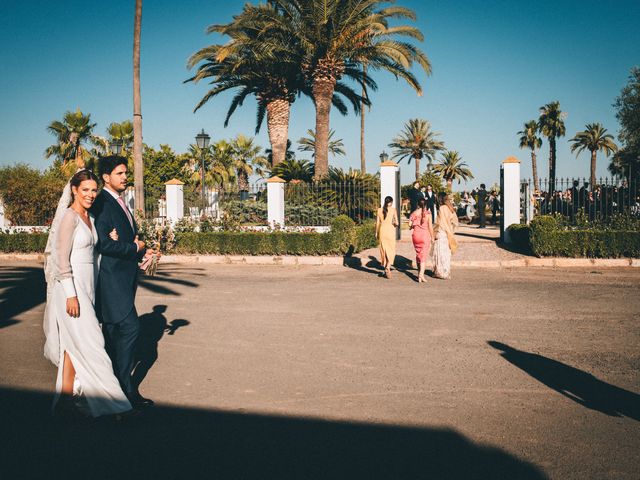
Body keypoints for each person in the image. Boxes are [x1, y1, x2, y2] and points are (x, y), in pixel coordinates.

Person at [43, 169, 133, 418]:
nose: (91, 195)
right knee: (95, 344)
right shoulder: (69, 218)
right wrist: (71, 294)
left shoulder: (90, 219)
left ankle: (64, 400)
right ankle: (117, 405)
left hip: (88, 287)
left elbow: (95, 251)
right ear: (74, 190)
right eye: (86, 190)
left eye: (94, 190)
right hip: (71, 292)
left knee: (74, 346)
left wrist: (110, 237)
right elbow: (61, 259)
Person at [93, 156, 155, 409]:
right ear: (106, 177)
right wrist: (133, 247)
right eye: (120, 173)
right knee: (129, 329)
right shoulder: (102, 203)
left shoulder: (120, 202)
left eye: (125, 173)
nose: (125, 177)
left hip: (124, 279)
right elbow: (103, 243)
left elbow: (128, 240)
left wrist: (143, 252)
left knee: (114, 333)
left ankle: (113, 390)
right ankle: (124, 391)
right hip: (110, 280)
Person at [432, 192, 459, 280]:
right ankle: (446, 272)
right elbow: (454, 221)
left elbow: (439, 222)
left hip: (441, 231)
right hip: (448, 232)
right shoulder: (450, 208)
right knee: (446, 253)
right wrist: (451, 230)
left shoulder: (441, 208)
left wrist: (434, 232)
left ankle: (440, 272)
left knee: (440, 252)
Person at [409, 198, 434, 283]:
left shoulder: (414, 213)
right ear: (426, 205)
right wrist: (433, 237)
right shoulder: (428, 214)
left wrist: (414, 225)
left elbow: (409, 225)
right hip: (425, 236)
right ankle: (421, 275)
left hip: (416, 236)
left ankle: (419, 272)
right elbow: (430, 227)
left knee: (418, 254)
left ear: (418, 204)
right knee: (423, 256)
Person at [376, 196, 398, 278]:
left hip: (382, 231)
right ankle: (388, 267)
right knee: (391, 250)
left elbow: (377, 223)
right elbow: (397, 223)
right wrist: (395, 224)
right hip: (390, 231)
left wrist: (376, 233)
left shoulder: (379, 210)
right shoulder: (393, 210)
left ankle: (386, 267)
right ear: (391, 202)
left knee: (384, 249)